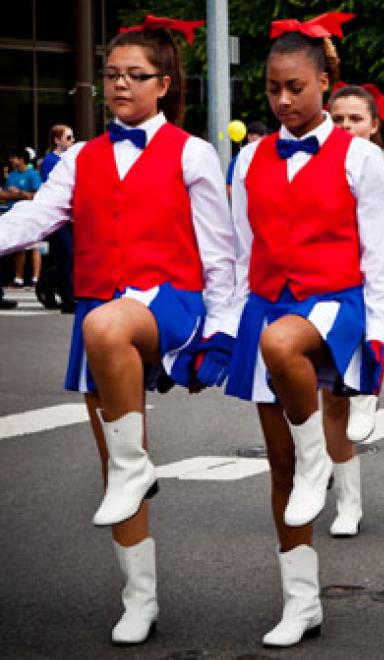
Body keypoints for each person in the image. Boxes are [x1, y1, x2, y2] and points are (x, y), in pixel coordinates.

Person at [0, 16, 236, 645]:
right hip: (103, 312)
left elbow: (219, 252)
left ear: (166, 84)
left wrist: (222, 332)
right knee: (115, 462)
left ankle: (136, 468)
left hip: (170, 303)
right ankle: (140, 597)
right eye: (112, 75)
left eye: (137, 75)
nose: (122, 85)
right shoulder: (81, 156)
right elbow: (37, 217)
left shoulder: (192, 152)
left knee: (108, 328)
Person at [222, 13, 384, 647]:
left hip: (336, 305)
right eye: (272, 89)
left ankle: (320, 459)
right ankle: (301, 600)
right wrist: (229, 318)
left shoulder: (362, 158)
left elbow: (382, 253)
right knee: (279, 466)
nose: (283, 101)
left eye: (295, 87)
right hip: (269, 303)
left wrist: (383, 334)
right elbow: (242, 249)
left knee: (284, 350)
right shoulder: (250, 158)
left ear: (325, 83)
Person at [323, 82, 384, 537]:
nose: (345, 128)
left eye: (355, 119)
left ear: (375, 126)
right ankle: (347, 501)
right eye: (337, 119)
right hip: (332, 290)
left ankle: (370, 388)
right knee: (331, 401)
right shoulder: (319, 167)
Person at [41, 124, 77, 312]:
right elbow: (52, 186)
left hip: (71, 215)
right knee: (66, 254)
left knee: (67, 256)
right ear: (57, 140)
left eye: (72, 138)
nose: (72, 141)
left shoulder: (70, 160)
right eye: (68, 138)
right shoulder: (50, 160)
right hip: (57, 215)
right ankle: (67, 299)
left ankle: (47, 284)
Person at [3, 148, 44, 287]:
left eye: (14, 157)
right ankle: (18, 278)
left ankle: (35, 278)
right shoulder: (11, 176)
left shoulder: (33, 175)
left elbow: (36, 195)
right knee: (18, 246)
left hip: (30, 213)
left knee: (34, 245)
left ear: (22, 159)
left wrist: (19, 193)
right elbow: (5, 195)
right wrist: (22, 195)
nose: (12, 160)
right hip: (14, 213)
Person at [224, 121, 269, 195]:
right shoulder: (238, 158)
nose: (258, 139)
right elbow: (229, 186)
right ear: (249, 137)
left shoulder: (272, 156)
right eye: (252, 135)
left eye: (261, 135)